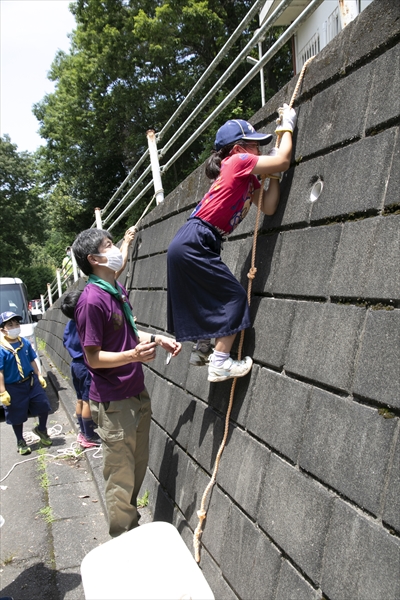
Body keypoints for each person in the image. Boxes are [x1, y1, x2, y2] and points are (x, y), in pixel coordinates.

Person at [167, 106, 296, 382]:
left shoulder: (246, 178)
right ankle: (220, 362)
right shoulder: (237, 164)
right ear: (238, 149)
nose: (261, 151)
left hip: (195, 240)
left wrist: (270, 175)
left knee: (208, 297)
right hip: (197, 239)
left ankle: (202, 348)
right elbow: (284, 159)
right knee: (234, 299)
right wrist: (288, 125)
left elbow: (270, 207)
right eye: (256, 146)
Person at [71, 227, 182, 537]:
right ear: (94, 259)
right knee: (120, 479)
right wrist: (133, 355)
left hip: (136, 392)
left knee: (135, 469)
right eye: (109, 245)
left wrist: (158, 339)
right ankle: (124, 540)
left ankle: (131, 530)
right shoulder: (91, 301)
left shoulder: (115, 289)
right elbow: (93, 358)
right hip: (114, 401)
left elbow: (128, 334)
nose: (115, 248)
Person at [0, 312, 52, 455]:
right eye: (10, 325)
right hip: (13, 386)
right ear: (2, 329)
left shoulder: (25, 343)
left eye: (17, 324)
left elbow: (32, 360)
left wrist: (39, 375)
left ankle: (41, 429)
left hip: (30, 381)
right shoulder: (1, 349)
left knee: (43, 405)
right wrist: (2, 391)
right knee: (17, 415)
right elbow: (0, 372)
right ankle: (20, 440)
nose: (14, 327)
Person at [60, 291, 101, 449]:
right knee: (87, 401)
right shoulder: (83, 324)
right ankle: (89, 435)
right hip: (85, 365)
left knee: (79, 399)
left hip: (74, 364)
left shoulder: (70, 324)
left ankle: (82, 430)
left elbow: (65, 342)